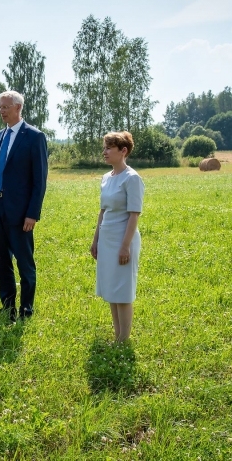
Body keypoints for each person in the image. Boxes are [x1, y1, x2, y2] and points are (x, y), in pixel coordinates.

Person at [0, 90, 48, 322]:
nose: (1, 111)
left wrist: (32, 214)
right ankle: (7, 307)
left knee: (24, 262)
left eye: (5, 107)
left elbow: (40, 180)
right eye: (0, 107)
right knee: (0, 262)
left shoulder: (34, 137)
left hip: (20, 215)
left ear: (18, 108)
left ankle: (26, 309)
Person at [90, 131, 144, 343]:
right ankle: (117, 336)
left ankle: (124, 339)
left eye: (108, 148)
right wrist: (96, 241)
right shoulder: (106, 178)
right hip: (107, 239)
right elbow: (102, 211)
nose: (104, 152)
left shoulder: (132, 179)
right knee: (112, 289)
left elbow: (134, 214)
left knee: (123, 290)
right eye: (104, 148)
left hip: (124, 240)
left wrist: (125, 246)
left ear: (123, 151)